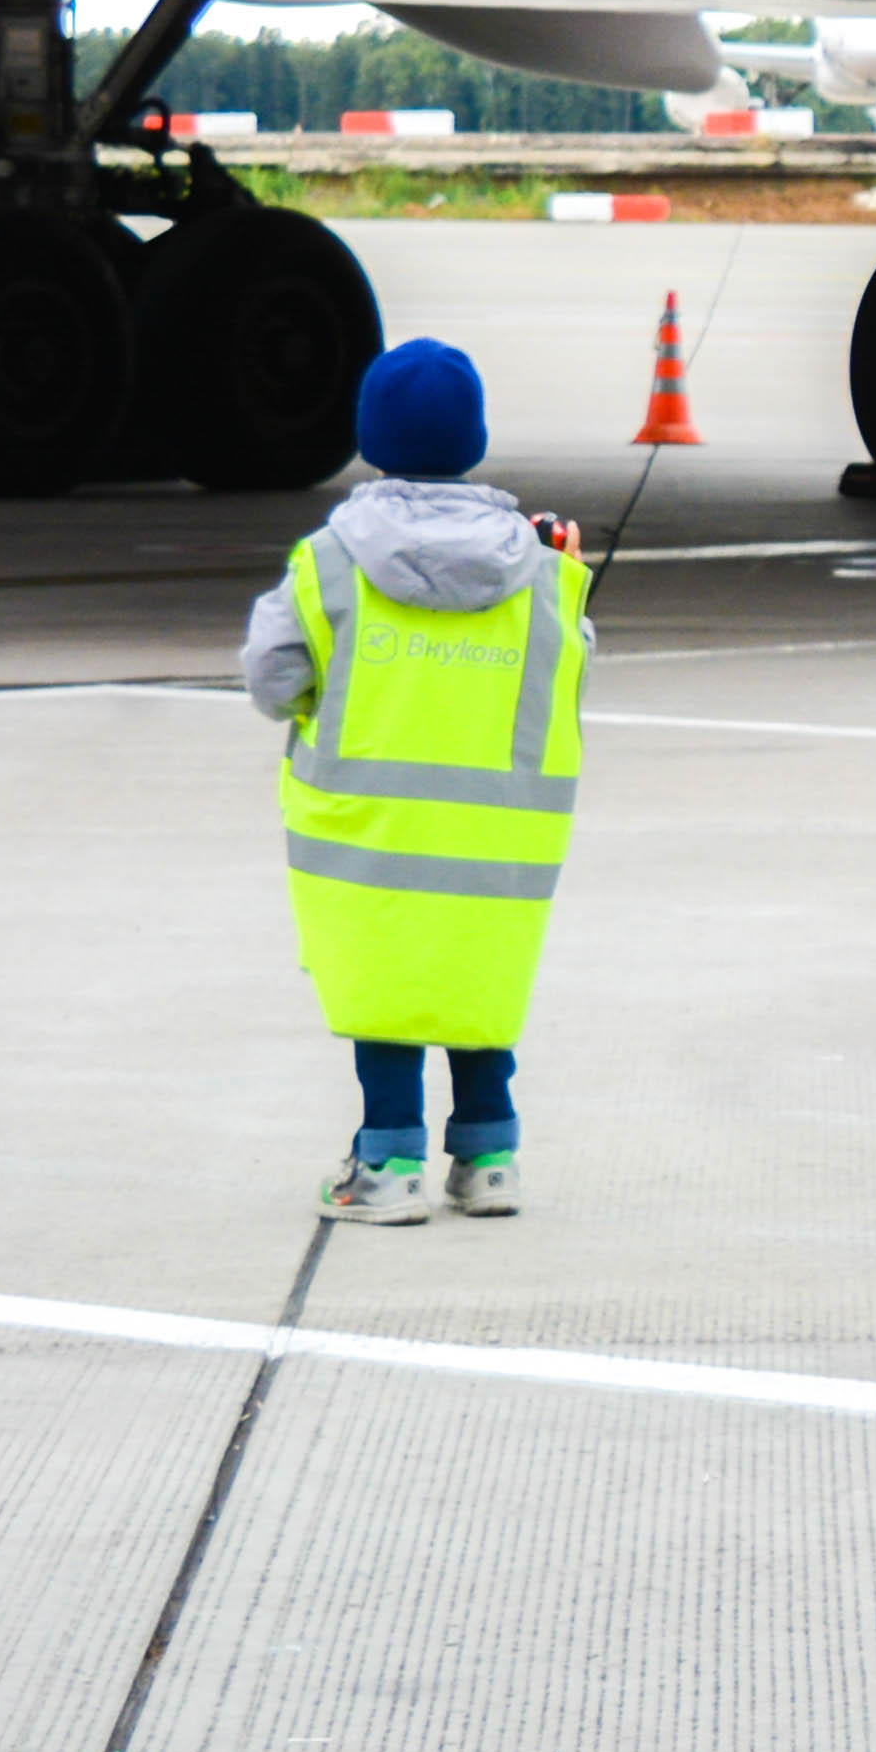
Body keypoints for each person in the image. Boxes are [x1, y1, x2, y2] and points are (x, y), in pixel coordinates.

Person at [246, 341, 589, 1226]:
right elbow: (569, 673)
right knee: (477, 986)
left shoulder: (329, 561)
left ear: (370, 437)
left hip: (369, 831)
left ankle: (388, 1161)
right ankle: (489, 1158)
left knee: (385, 987)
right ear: (474, 440)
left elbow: (271, 680)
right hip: (500, 844)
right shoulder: (544, 574)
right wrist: (574, 579)